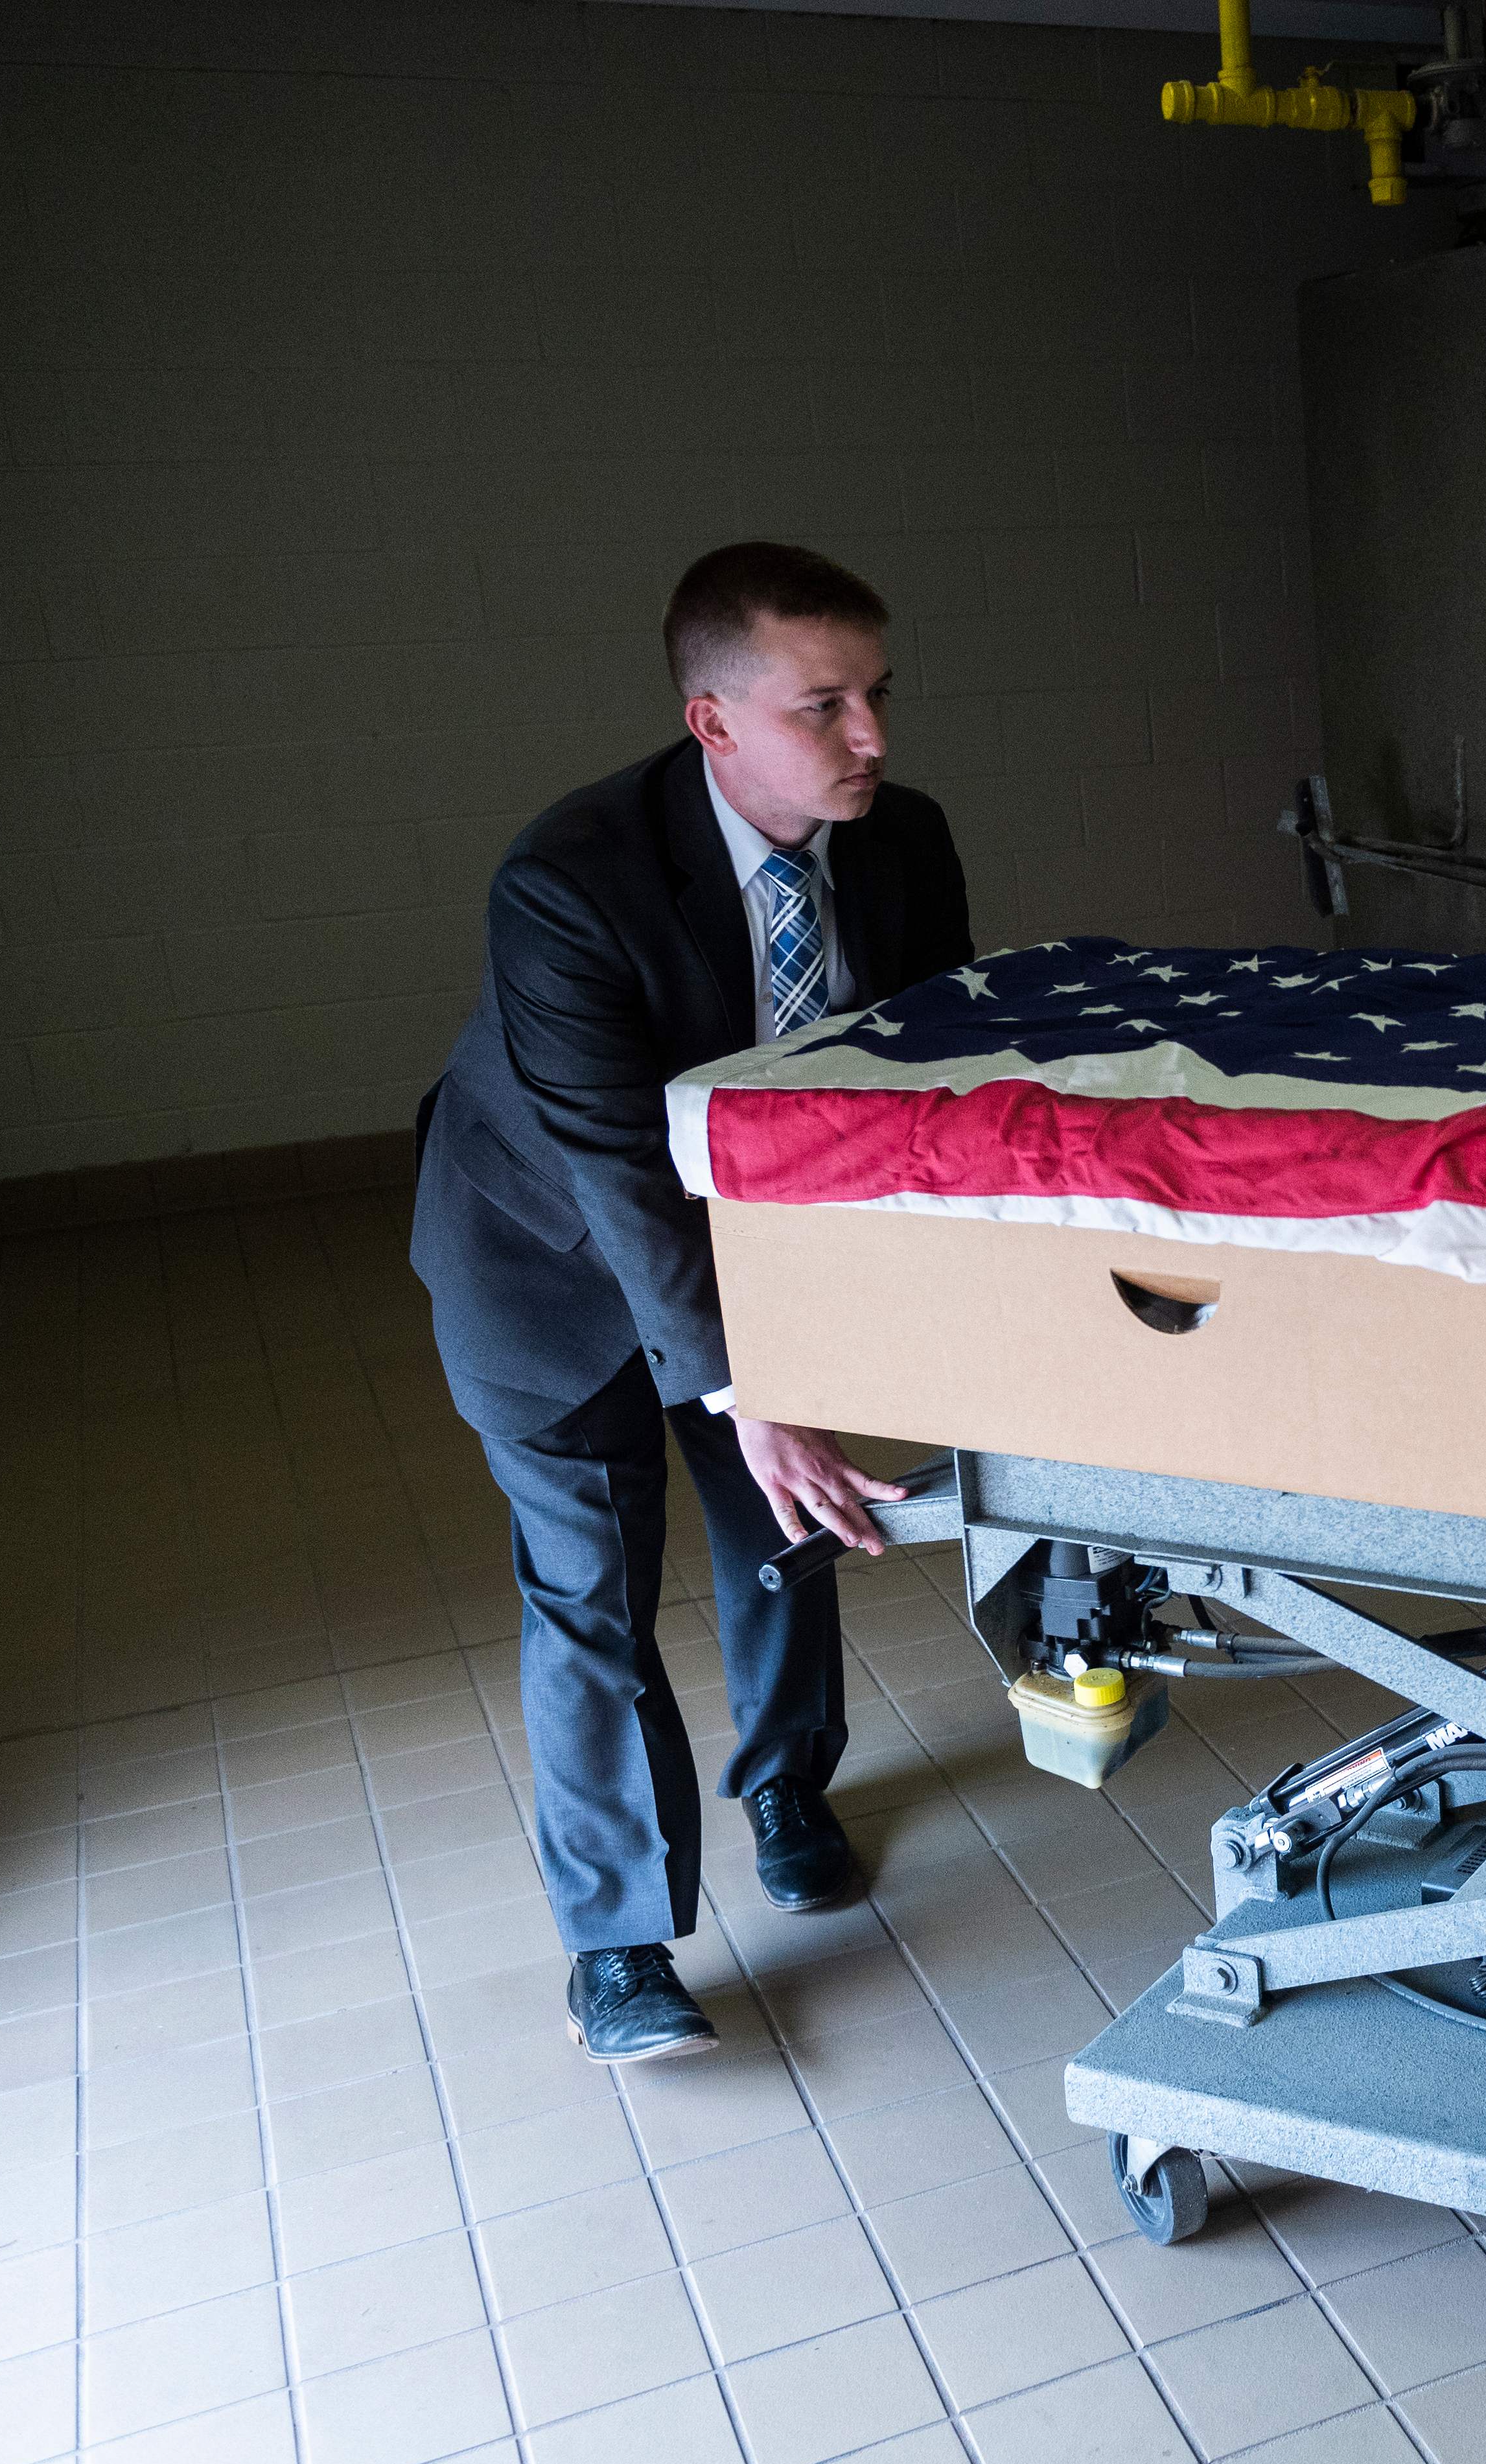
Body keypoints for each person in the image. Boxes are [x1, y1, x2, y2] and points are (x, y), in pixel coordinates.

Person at [412, 543, 974, 2061]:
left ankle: (788, 1779)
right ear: (714, 721)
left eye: (877, 695)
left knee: (786, 1532)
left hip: (755, 1245)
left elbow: (933, 1084)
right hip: (546, 1263)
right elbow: (613, 1167)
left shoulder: (904, 840)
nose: (873, 738)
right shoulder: (567, 879)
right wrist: (754, 1386)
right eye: (826, 706)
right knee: (589, 1589)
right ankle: (618, 1942)